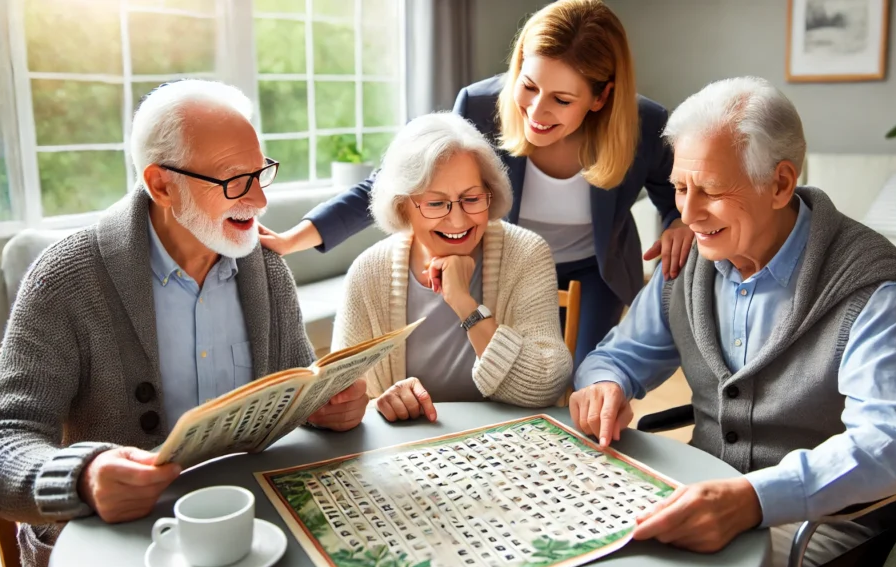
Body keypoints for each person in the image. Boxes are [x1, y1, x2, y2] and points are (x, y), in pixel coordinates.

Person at [0, 80, 369, 567]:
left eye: (261, 173)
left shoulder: (265, 268)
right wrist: (82, 478)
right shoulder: (64, 280)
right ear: (163, 185)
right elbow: (7, 438)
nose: (259, 200)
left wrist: (326, 409)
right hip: (118, 551)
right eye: (235, 180)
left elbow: (292, 393)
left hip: (253, 536)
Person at [568, 77, 896, 567]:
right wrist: (603, 385)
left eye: (709, 191)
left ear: (780, 184)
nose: (686, 216)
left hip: (824, 522)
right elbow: (616, 358)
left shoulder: (866, 283)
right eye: (679, 188)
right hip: (701, 487)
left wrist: (752, 500)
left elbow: (887, 445)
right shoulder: (690, 259)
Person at [259, 0, 694, 369]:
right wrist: (295, 238)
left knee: (584, 380)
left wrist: (679, 221)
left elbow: (674, 187)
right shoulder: (481, 105)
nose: (537, 112)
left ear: (600, 98)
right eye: (528, 86)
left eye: (562, 100)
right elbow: (393, 181)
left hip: (593, 271)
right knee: (500, 373)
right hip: (507, 265)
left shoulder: (644, 124)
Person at [334, 112, 572, 421]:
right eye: (436, 203)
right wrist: (380, 403)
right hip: (410, 454)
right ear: (402, 205)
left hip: (511, 446)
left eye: (472, 199)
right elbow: (339, 398)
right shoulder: (369, 272)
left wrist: (465, 305)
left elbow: (545, 385)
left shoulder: (526, 253)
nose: (458, 221)